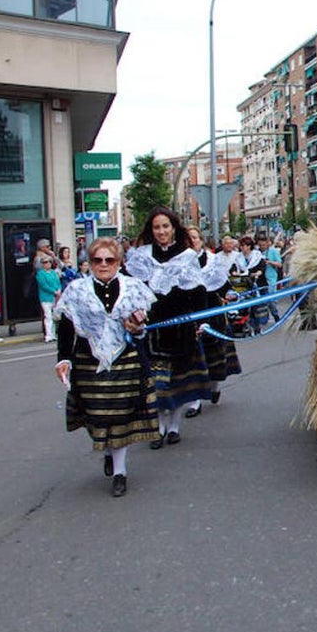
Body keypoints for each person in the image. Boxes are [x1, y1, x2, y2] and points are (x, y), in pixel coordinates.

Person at [54, 237, 158, 497]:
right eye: (97, 260)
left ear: (119, 262)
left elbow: (148, 321)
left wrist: (138, 324)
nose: (103, 265)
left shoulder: (134, 287)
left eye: (109, 260)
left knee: (121, 414)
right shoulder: (76, 290)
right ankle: (109, 452)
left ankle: (120, 471)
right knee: (96, 415)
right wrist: (64, 359)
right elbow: (66, 328)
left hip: (126, 359)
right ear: (89, 263)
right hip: (89, 362)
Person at [125, 207, 211, 449]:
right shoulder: (141, 256)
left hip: (180, 328)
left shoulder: (186, 256)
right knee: (156, 383)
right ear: (151, 230)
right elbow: (130, 290)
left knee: (176, 381)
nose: (161, 231)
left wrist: (202, 321)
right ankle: (160, 427)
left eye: (165, 226)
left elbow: (198, 292)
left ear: (174, 228)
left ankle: (173, 426)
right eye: (156, 227)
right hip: (151, 329)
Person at [183, 226, 241, 418]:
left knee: (213, 355)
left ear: (201, 240)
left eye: (194, 238)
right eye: (188, 239)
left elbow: (223, 286)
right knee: (192, 357)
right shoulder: (179, 263)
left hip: (212, 312)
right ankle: (195, 401)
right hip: (190, 314)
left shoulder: (212, 261)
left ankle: (214, 387)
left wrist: (230, 295)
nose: (192, 242)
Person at [257, 233, 282, 324]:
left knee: (271, 299)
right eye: (260, 245)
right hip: (260, 279)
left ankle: (275, 314)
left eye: (263, 245)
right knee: (263, 299)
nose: (262, 247)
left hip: (271, 278)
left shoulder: (273, 251)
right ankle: (264, 316)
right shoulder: (257, 252)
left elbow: (279, 264)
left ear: (268, 243)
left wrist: (270, 262)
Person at [36, 254, 62, 342]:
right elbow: (43, 285)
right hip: (45, 297)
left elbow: (58, 282)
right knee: (48, 316)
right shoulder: (40, 274)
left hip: (55, 297)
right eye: (44, 262)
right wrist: (53, 291)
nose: (47, 264)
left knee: (54, 316)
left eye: (48, 262)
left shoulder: (54, 272)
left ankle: (53, 334)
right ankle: (48, 335)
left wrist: (58, 291)